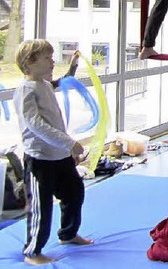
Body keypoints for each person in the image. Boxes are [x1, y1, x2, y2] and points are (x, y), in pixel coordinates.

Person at [13, 40, 93, 266]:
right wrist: (69, 143)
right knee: (42, 207)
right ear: (30, 62)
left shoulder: (45, 85)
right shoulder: (25, 90)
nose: (53, 62)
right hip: (39, 160)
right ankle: (33, 251)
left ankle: (68, 233)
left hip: (60, 157)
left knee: (74, 193)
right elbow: (35, 124)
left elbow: (65, 80)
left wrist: (75, 64)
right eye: (47, 58)